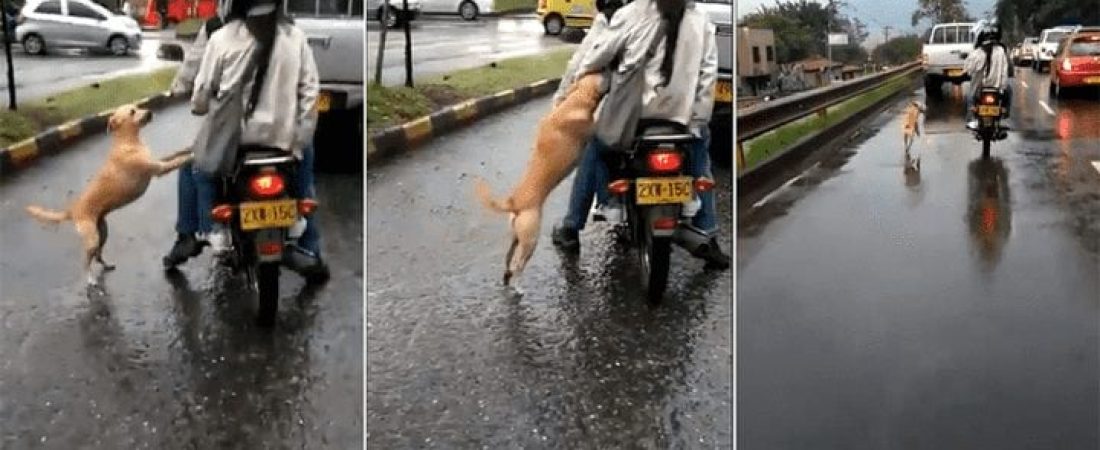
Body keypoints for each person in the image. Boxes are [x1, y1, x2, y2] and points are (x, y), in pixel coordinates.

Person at [550, 0, 730, 269]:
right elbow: (707, 75)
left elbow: (594, 58)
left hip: (633, 120)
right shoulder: (700, 20)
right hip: (681, 121)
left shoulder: (632, 13)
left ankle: (576, 224)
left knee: (595, 146)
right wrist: (697, 120)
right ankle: (708, 232)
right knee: (699, 157)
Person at [163, 0, 329, 283]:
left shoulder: (221, 35)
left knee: (194, 164)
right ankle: (307, 245)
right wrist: (300, 137)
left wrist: (200, 105)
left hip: (235, 143)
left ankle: (203, 231)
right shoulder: (294, 36)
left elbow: (200, 93)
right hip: (282, 142)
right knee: (304, 178)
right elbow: (310, 91)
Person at [964, 20, 1013, 132]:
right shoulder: (1002, 50)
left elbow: (968, 69)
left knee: (969, 95)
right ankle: (1005, 113)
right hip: (998, 87)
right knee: (1009, 91)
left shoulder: (977, 53)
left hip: (980, 87)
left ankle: (971, 117)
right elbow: (1007, 70)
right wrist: (1002, 86)